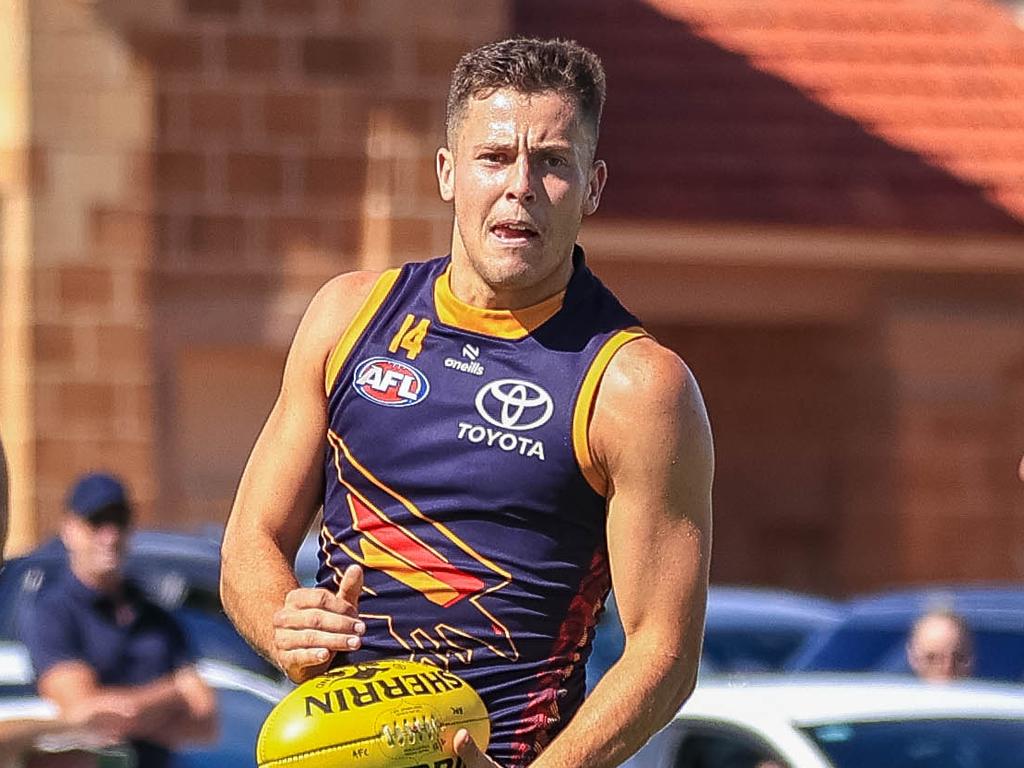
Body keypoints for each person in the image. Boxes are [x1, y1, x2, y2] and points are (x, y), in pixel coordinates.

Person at [221, 37, 713, 768]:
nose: (520, 185)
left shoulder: (635, 386)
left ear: (594, 186)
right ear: (448, 173)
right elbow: (248, 543)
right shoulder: (349, 316)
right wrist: (281, 622)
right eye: (494, 157)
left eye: (552, 162)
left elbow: (664, 653)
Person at [20, 472, 217, 767]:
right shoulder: (53, 611)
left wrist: (130, 710)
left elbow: (205, 721)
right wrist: (174, 692)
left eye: (119, 521)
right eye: (97, 521)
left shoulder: (154, 615)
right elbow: (87, 715)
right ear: (69, 529)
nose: (110, 536)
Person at [905, 607, 974, 682]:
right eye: (931, 658)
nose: (947, 668)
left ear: (971, 658)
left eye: (958, 658)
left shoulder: (986, 692)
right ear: (913, 658)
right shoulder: (892, 689)